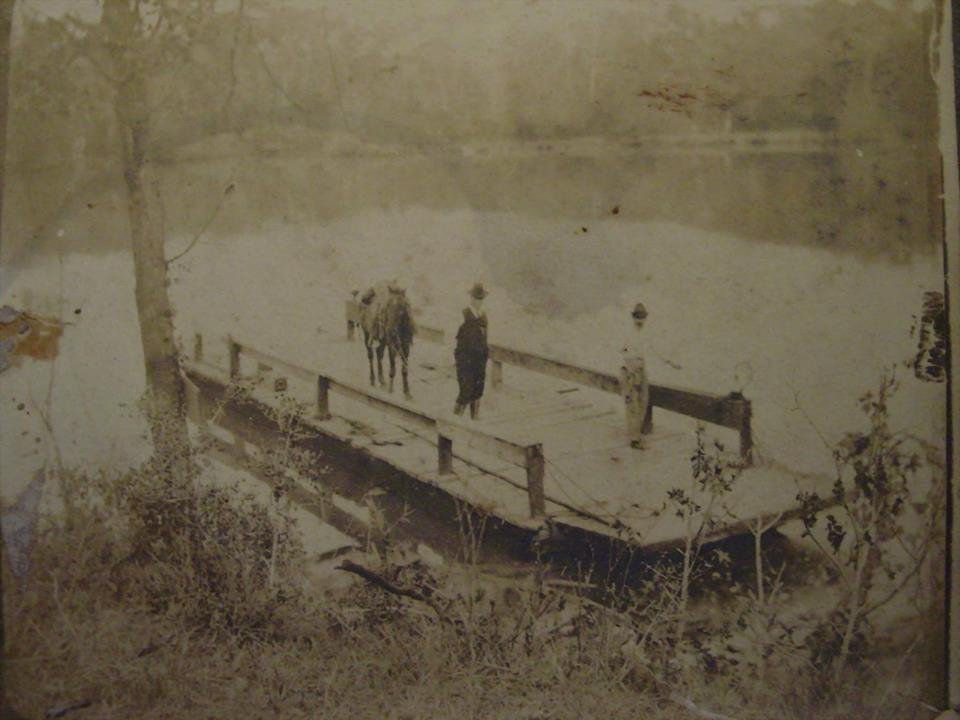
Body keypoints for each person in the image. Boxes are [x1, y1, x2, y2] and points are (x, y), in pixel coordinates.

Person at [454, 283, 489, 419]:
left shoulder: (484, 316)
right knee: (465, 392)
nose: (479, 301)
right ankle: (453, 425)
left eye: (481, 299)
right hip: (465, 361)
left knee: (478, 392)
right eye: (476, 298)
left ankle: (474, 423)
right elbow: (454, 337)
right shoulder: (463, 314)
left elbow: (486, 337)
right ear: (471, 298)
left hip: (480, 361)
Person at [620, 302, 650, 449]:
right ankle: (634, 439)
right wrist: (628, 371)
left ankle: (637, 434)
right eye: (638, 317)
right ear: (633, 317)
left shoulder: (644, 333)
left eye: (643, 317)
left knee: (644, 401)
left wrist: (670, 362)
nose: (640, 320)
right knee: (632, 405)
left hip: (641, 369)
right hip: (630, 370)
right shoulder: (627, 333)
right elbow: (621, 352)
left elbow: (654, 349)